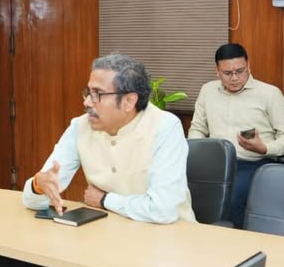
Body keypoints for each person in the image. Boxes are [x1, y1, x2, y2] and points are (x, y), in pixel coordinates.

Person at [23, 53, 195, 224]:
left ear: (129, 101)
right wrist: (38, 185)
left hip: (171, 235)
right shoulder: (80, 126)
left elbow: (163, 210)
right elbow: (34, 199)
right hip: (107, 232)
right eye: (88, 92)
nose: (87, 102)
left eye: (97, 94)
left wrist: (104, 200)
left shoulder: (165, 127)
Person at [188, 43, 284, 228]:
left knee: (230, 198)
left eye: (240, 71)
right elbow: (197, 128)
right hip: (214, 163)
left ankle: (230, 240)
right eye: (227, 73)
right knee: (181, 189)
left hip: (253, 163)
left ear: (248, 66)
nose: (235, 78)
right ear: (217, 71)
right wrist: (195, 151)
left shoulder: (269, 94)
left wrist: (265, 148)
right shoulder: (207, 91)